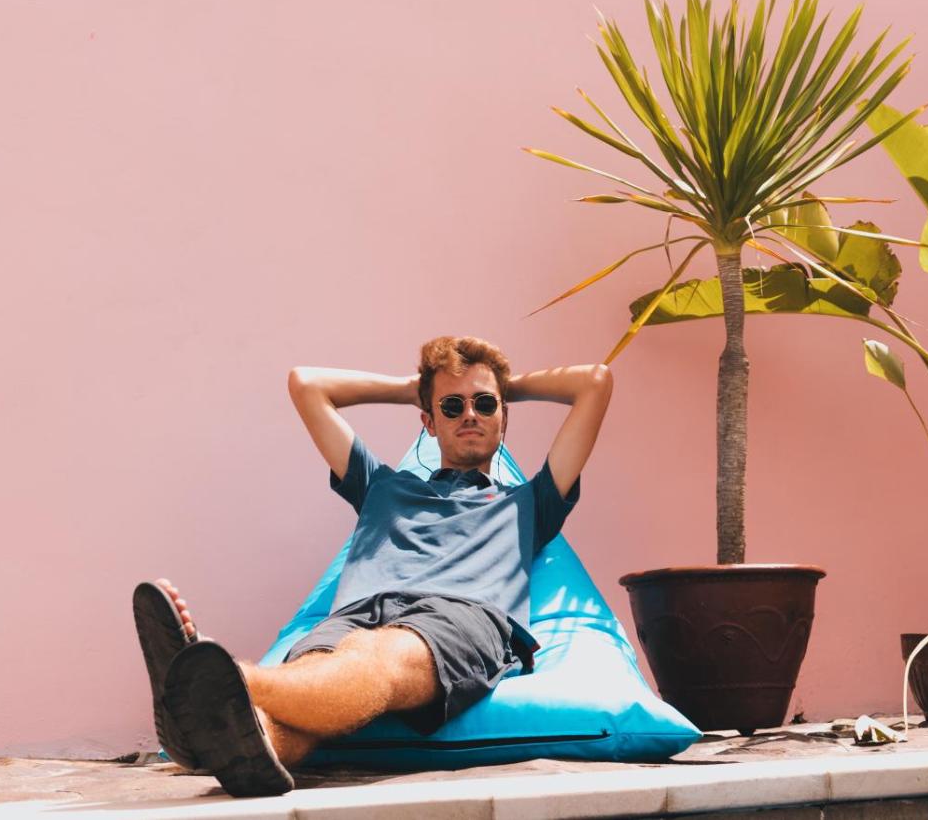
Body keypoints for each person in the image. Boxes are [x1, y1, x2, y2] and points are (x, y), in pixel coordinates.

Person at [132, 336, 613, 797]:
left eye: (484, 404)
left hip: (461, 615)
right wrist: (414, 389)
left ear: (503, 416)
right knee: (298, 704)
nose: (469, 414)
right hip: (357, 612)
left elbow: (594, 382)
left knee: (377, 655)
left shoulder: (530, 501)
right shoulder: (381, 485)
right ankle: (220, 739)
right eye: (451, 406)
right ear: (428, 421)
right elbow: (306, 385)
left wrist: (505, 388)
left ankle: (213, 681)